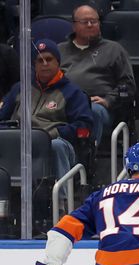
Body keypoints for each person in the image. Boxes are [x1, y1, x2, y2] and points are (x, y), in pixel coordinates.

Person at [0, 39, 93, 180]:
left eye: (49, 59)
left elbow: (83, 125)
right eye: (39, 60)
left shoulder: (72, 92)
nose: (44, 64)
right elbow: (2, 115)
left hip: (54, 140)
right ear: (34, 65)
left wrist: (55, 133)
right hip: (19, 139)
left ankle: (61, 199)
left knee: (57, 146)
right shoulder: (20, 88)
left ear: (57, 62)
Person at [58, 4, 136, 143]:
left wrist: (108, 100)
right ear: (74, 26)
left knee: (92, 112)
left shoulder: (114, 49)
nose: (89, 25)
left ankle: (87, 156)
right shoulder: (59, 50)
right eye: (84, 22)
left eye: (93, 21)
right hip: (62, 103)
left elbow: (128, 85)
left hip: (97, 106)